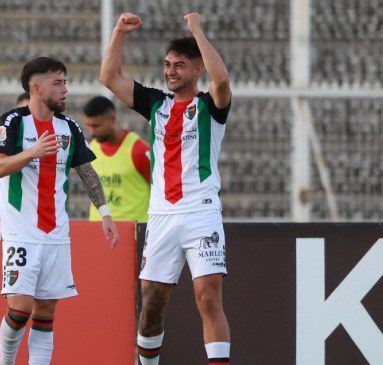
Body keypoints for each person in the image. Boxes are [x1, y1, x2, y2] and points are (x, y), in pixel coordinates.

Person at [100, 12, 232, 365]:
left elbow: (222, 79)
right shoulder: (155, 103)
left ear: (196, 70)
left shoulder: (210, 107)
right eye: (167, 64)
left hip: (201, 212)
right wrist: (118, 32)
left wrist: (198, 31)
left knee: (207, 299)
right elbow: (108, 77)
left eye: (179, 65)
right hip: (161, 216)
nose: (170, 71)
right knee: (152, 306)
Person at [0, 57, 120, 365]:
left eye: (65, 82)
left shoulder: (69, 127)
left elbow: (86, 171)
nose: (65, 90)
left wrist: (105, 212)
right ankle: (5, 361)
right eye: (57, 83)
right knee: (20, 308)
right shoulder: (13, 122)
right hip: (20, 232)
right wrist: (32, 152)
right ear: (37, 87)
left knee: (45, 312)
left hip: (56, 234)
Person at [84, 96, 151, 223]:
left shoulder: (139, 150)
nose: (92, 131)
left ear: (112, 119)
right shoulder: (90, 150)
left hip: (133, 233)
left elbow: (160, 189)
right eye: (88, 126)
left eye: (96, 126)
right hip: (98, 231)